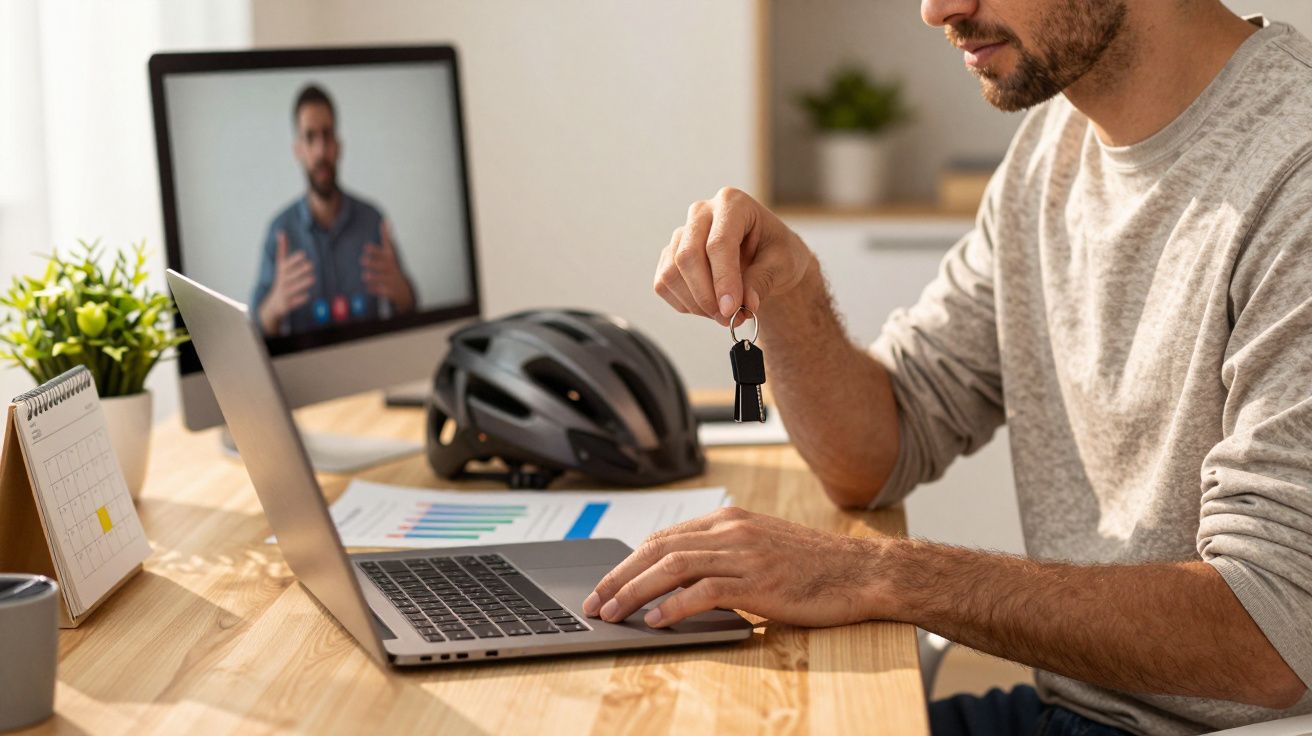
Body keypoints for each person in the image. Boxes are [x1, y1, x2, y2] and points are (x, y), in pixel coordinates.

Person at [582, 1, 1312, 734]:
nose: (938, 10)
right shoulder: (1052, 151)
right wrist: (791, 292)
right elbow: (880, 447)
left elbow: (1276, 633)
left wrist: (874, 574)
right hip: (1076, 710)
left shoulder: (1295, 176)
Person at [252, 84, 416, 336]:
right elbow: (257, 327)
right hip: (304, 368)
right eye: (310, 137)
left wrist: (402, 292)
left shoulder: (373, 221)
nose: (321, 150)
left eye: (327, 135)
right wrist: (275, 305)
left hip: (368, 362)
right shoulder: (280, 231)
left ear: (338, 145)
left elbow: (410, 307)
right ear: (298, 150)